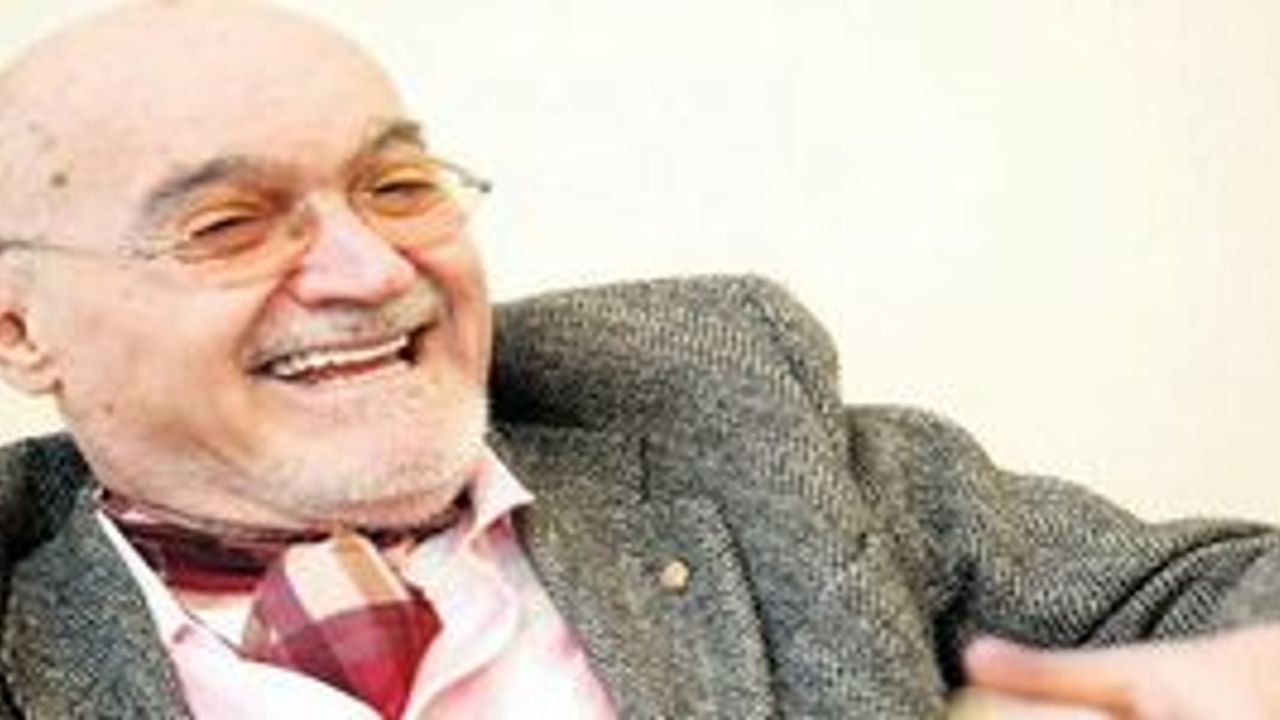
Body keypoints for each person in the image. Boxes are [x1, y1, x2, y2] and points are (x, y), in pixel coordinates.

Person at [0, 2, 1277, 718]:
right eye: (226, 225)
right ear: (20, 332)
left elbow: (1226, 601)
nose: (372, 270)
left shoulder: (720, 418)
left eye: (396, 186)